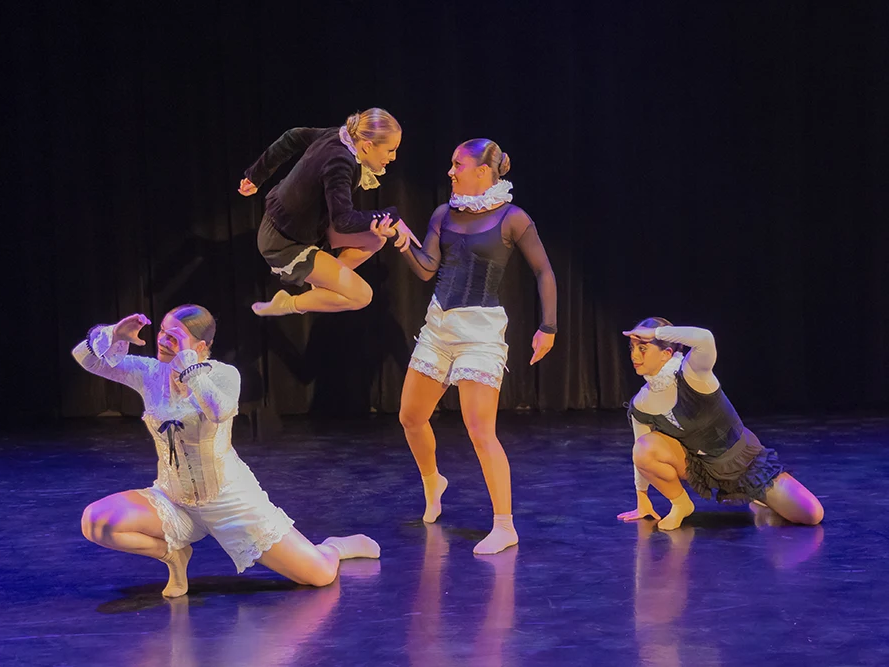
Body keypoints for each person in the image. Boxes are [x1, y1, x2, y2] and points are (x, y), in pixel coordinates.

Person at [74, 305, 380, 597]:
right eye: (163, 332)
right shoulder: (150, 373)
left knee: (320, 576)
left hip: (230, 501)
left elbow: (219, 410)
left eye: (175, 337)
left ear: (201, 345)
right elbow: (84, 357)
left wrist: (189, 366)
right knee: (95, 522)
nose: (164, 341)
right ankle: (175, 557)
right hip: (174, 499)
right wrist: (115, 333)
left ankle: (333, 548)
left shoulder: (223, 374)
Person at [381, 138, 558, 554]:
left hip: (480, 330)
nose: (450, 171)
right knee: (410, 416)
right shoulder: (444, 213)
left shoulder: (513, 218)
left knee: (480, 430)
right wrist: (403, 239)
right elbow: (427, 270)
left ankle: (504, 525)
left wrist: (547, 327)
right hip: (438, 325)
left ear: (483, 171)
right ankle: (433, 482)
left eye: (457, 164)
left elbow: (544, 271)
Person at [617, 318, 824, 530]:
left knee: (812, 514)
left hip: (743, 463)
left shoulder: (692, 373)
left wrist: (657, 334)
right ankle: (681, 505)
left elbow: (705, 339)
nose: (634, 356)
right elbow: (639, 454)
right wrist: (642, 498)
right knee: (644, 448)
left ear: (666, 353)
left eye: (642, 348)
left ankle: (758, 497)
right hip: (700, 467)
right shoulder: (641, 403)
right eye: (632, 348)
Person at [239, 108, 418, 316]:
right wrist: (391, 217)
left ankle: (323, 285)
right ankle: (288, 304)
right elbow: (343, 221)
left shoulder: (339, 136)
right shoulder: (340, 163)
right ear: (368, 146)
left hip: (309, 225)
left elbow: (293, 136)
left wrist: (255, 176)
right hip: (284, 242)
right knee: (362, 296)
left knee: (376, 239)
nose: (394, 157)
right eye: (390, 150)